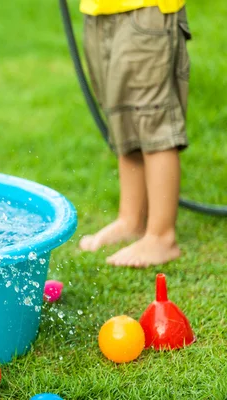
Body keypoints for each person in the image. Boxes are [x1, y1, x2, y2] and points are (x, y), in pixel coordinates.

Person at [78, 0, 191, 267]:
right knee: (122, 118)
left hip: (146, 10)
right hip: (99, 10)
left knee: (152, 118)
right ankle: (131, 220)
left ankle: (162, 237)